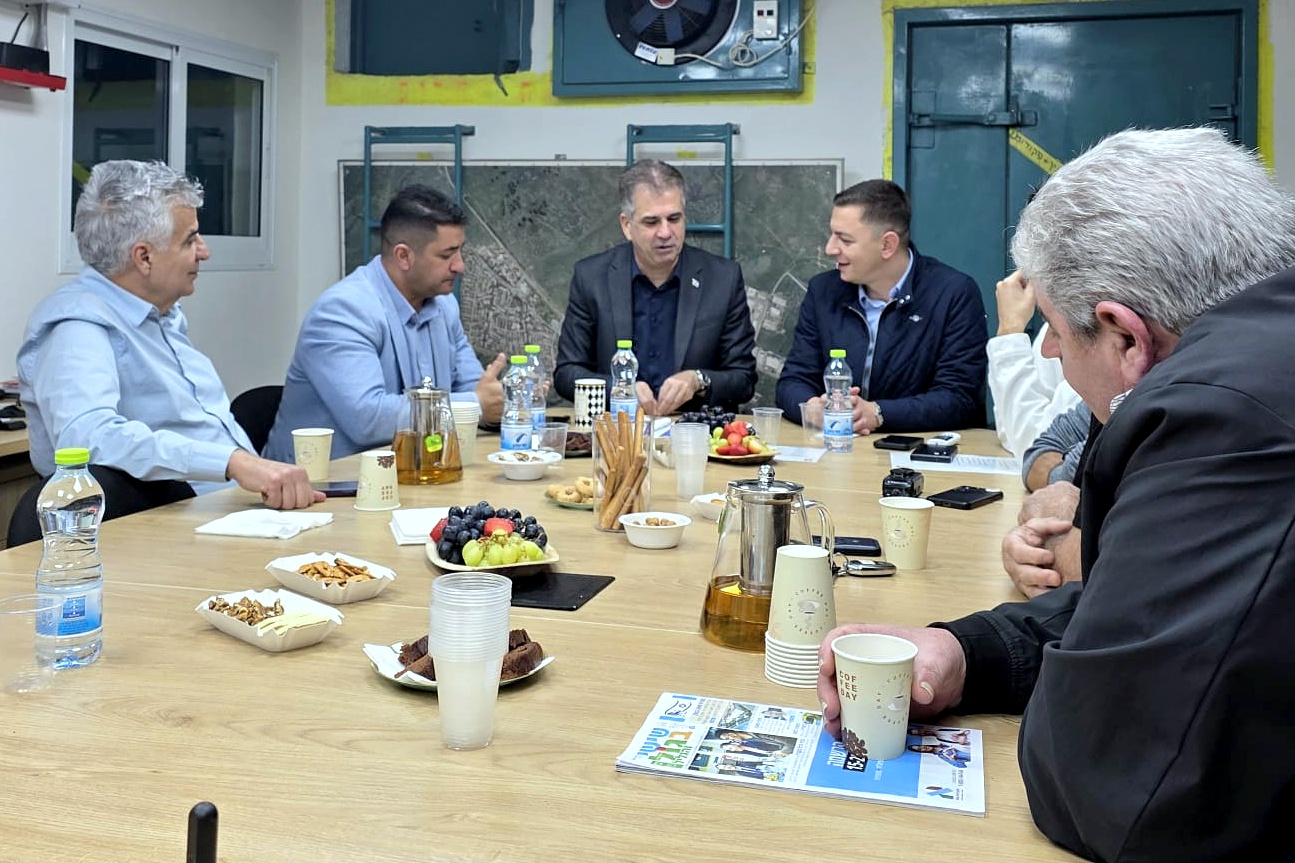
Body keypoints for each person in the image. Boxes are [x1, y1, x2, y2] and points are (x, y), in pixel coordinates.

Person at [818, 127, 1295, 862]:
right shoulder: (1262, 348)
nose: (1045, 348)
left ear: (1125, 338)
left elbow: (1109, 786)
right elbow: (1144, 610)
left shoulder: (1223, 414)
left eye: (1054, 329)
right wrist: (967, 650)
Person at [17, 160, 320, 510]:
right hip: (168, 522)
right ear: (144, 257)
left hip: (232, 507)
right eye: (190, 240)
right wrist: (230, 462)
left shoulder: (161, 313)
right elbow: (88, 438)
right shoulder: (77, 328)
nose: (204, 251)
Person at [264, 185, 506, 462]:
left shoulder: (444, 305)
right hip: (324, 481)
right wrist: (474, 406)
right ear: (404, 256)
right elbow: (367, 419)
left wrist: (500, 401)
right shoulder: (343, 312)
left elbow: (474, 389)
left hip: (415, 471)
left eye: (460, 251)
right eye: (446, 255)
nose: (459, 266)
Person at [775, 179, 988, 433]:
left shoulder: (953, 293)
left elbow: (960, 399)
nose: (830, 249)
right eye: (832, 235)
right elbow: (793, 380)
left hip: (917, 450)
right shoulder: (823, 291)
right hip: (835, 445)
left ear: (887, 245)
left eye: (845, 240)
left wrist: (878, 413)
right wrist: (813, 408)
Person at [552, 160, 757, 416]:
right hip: (619, 428)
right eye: (651, 222)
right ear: (627, 225)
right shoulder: (592, 277)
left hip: (693, 430)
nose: (665, 232)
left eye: (674, 219)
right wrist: (619, 389)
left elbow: (744, 379)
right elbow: (567, 374)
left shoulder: (722, 279)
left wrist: (698, 380)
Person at [988, 270, 1081, 455]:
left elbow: (1038, 445)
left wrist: (1010, 330)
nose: (1047, 350)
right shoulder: (1056, 325)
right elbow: (1013, 432)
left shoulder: (1094, 329)